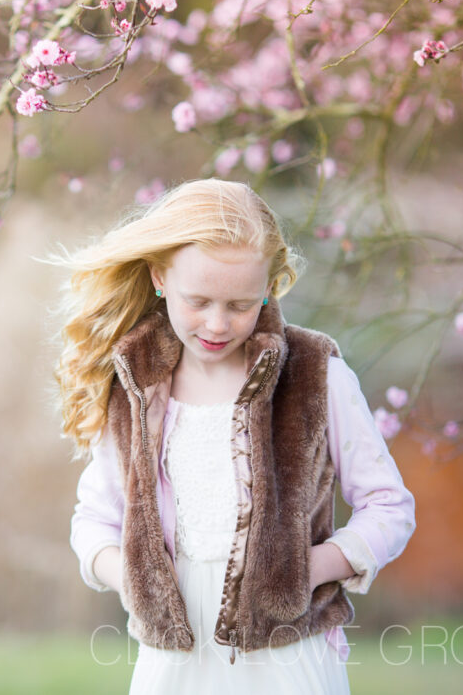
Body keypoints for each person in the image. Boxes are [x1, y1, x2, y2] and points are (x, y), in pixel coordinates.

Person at [51, 179, 416, 694]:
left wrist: (304, 571)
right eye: (198, 301)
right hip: (173, 660)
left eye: (241, 304)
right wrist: (137, 580)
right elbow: (94, 521)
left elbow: (389, 506)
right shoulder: (134, 384)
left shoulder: (317, 375)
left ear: (269, 286)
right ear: (159, 277)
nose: (218, 324)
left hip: (287, 653)